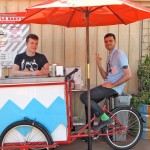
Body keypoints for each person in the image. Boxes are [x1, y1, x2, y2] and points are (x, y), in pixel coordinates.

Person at [80, 33, 132, 130]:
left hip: (114, 87)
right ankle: (90, 132)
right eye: (106, 41)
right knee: (88, 104)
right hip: (108, 85)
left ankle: (105, 118)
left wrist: (113, 84)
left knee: (84, 96)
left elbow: (128, 75)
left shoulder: (119, 54)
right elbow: (106, 77)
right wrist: (99, 65)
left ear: (115, 41)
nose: (108, 43)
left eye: (110, 41)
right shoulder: (110, 57)